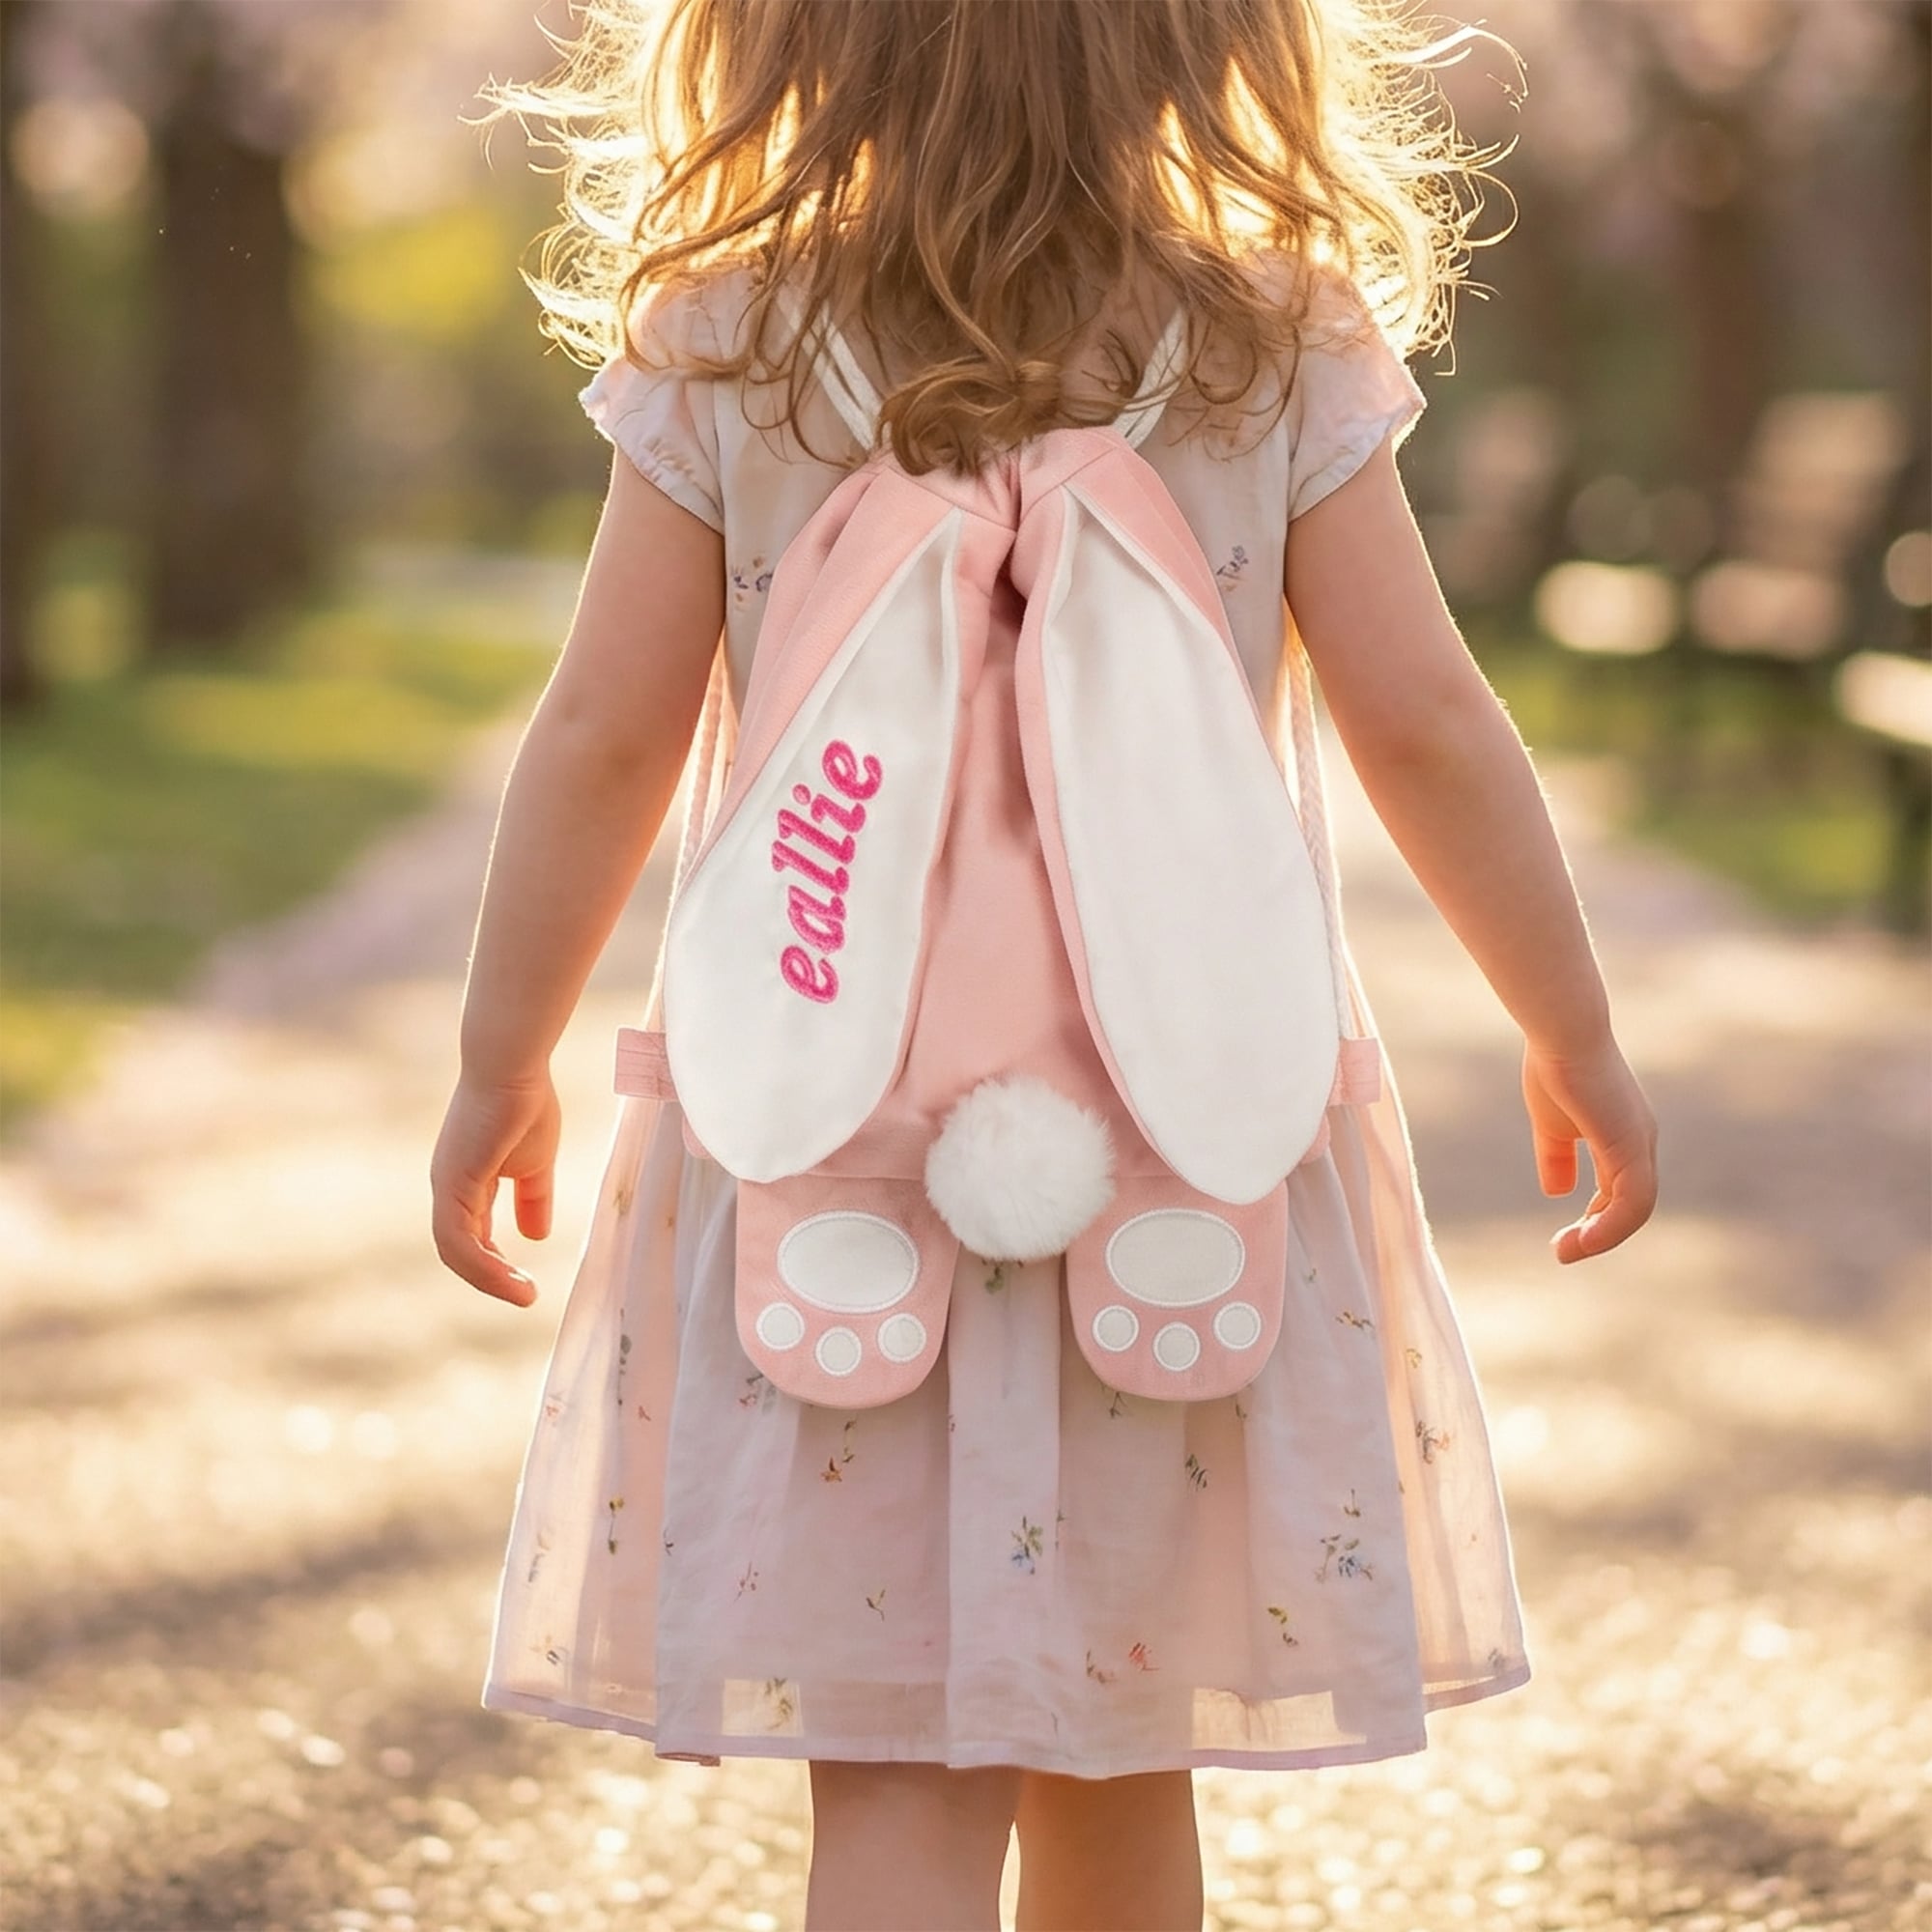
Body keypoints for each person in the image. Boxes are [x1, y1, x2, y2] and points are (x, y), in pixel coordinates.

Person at [433, 2, 1659, 1925]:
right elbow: (1423, 719)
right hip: (1185, 1153)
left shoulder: (730, 341)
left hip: (826, 1150)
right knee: (1122, 1764)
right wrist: (1569, 1024)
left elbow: (604, 734)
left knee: (897, 1800)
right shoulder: (1268, 342)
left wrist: (498, 1062)